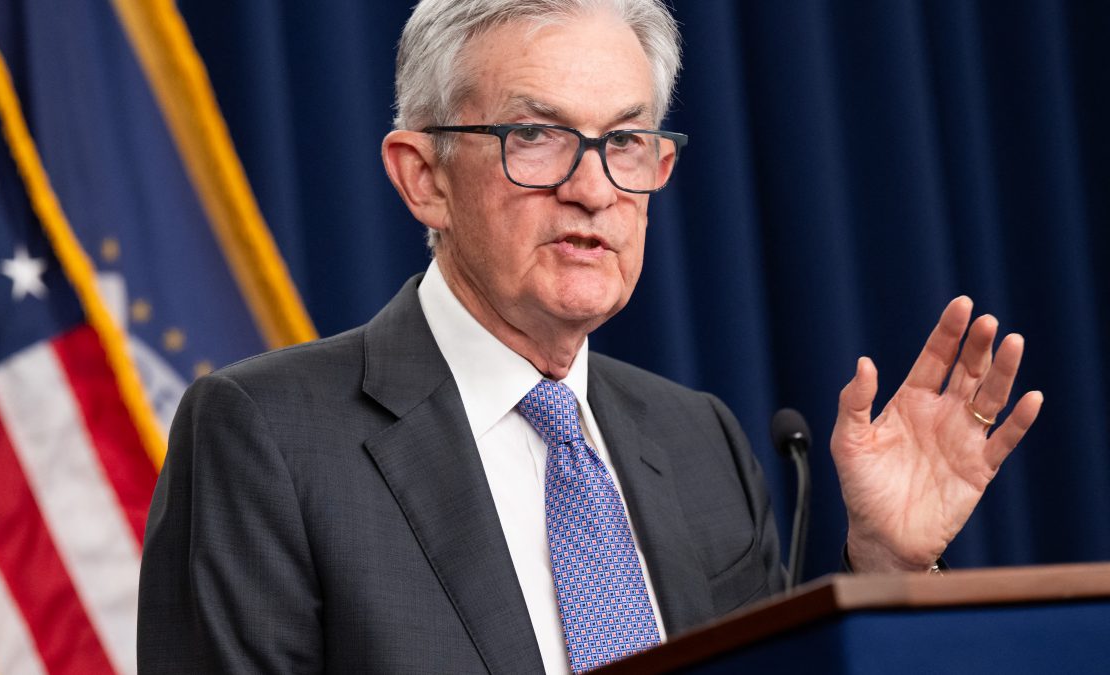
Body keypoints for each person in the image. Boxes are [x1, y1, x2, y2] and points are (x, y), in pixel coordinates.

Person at [137, 1, 1042, 673]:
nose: (594, 187)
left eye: (626, 140)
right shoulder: (267, 435)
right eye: (536, 135)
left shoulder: (699, 442)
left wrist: (884, 568)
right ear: (424, 179)